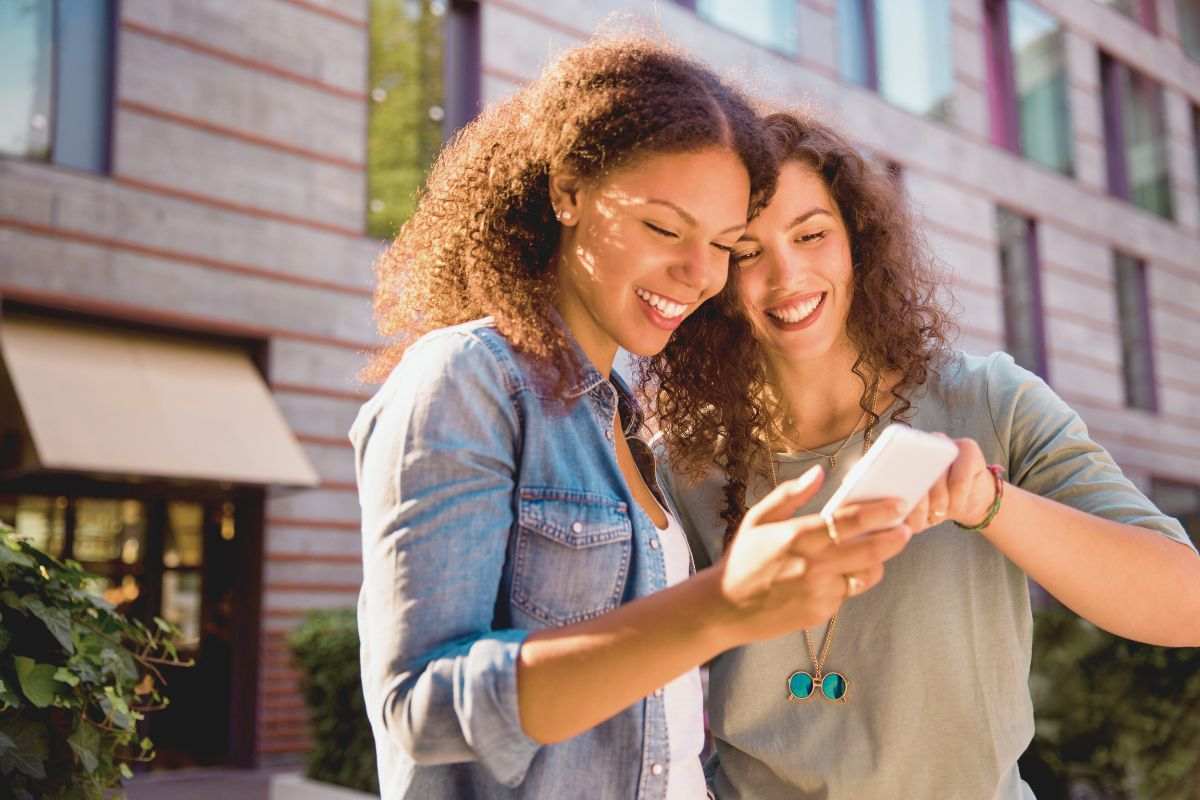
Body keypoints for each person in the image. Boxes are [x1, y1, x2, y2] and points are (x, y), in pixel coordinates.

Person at [351, 42, 915, 799]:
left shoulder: (621, 417)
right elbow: (423, 708)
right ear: (569, 192)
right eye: (663, 228)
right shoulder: (467, 379)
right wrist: (719, 607)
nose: (700, 274)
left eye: (723, 246)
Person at [648, 110, 1200, 799]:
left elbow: (1186, 603)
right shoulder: (684, 462)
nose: (787, 274)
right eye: (748, 251)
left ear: (857, 242)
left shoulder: (990, 400)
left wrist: (990, 504)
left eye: (812, 234)